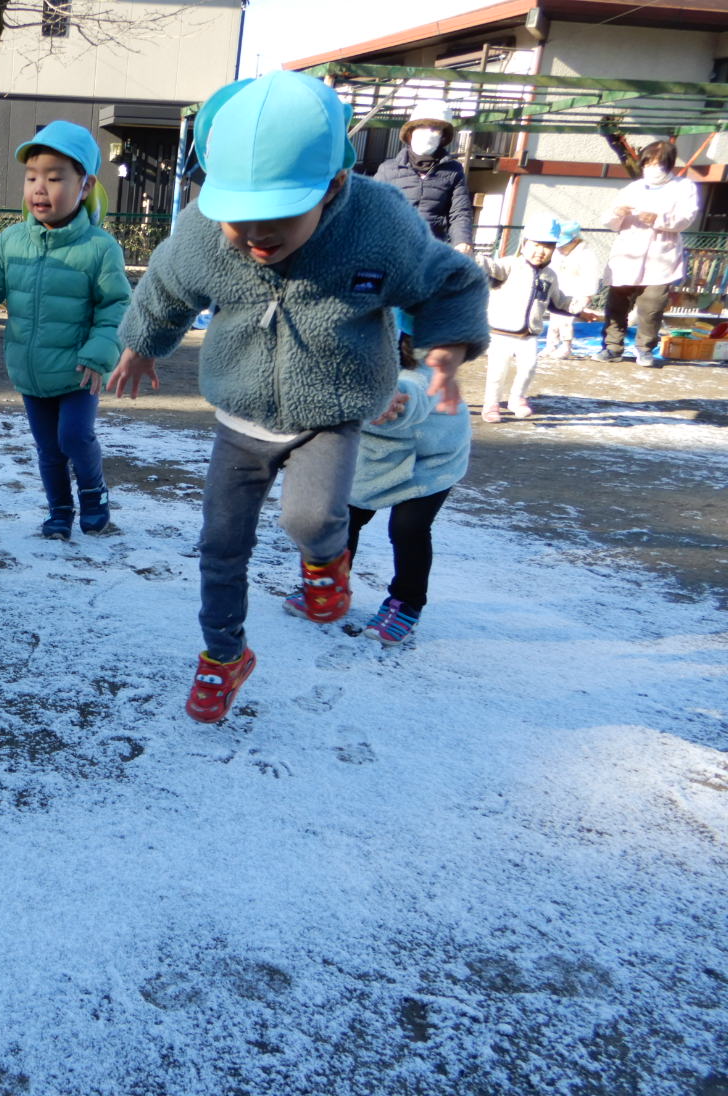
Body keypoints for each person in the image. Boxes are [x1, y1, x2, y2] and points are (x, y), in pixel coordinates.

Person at [107, 71, 490, 723]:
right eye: (239, 222)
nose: (256, 238)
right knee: (220, 544)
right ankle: (223, 656)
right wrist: (141, 342)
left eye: (278, 220)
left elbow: (450, 282)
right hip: (240, 414)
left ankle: (325, 560)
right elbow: (167, 285)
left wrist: (446, 349)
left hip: (331, 411)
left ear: (333, 186)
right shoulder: (206, 229)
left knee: (309, 520)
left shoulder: (378, 224)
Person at [0, 120, 130, 539]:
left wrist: (99, 352)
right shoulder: (11, 241)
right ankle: (59, 511)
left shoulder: (99, 248)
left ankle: (94, 492)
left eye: (55, 178)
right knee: (49, 450)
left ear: (85, 185)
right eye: (32, 177)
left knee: (74, 437)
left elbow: (116, 306)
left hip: (80, 369)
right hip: (31, 370)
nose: (40, 188)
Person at [296, 316, 470, 647]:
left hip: (430, 460)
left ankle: (406, 602)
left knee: (408, 528)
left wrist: (392, 400)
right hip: (374, 455)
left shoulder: (423, 366)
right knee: (341, 517)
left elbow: (417, 393)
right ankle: (328, 587)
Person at [598, 140, 701, 367]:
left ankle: (644, 348)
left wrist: (659, 219)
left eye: (657, 164)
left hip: (660, 256)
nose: (652, 168)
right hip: (627, 254)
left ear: (668, 165)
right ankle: (612, 347)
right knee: (617, 304)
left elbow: (686, 218)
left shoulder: (684, 187)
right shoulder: (634, 188)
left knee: (651, 306)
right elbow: (609, 221)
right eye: (648, 163)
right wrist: (617, 212)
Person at [477, 215, 581, 421]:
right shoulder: (509, 265)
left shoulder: (550, 275)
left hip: (529, 333)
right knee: (498, 371)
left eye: (547, 246)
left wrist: (580, 307)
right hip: (500, 333)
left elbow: (557, 301)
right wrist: (473, 256)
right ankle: (491, 404)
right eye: (535, 245)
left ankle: (517, 398)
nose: (540, 251)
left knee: (529, 367)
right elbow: (490, 268)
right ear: (524, 245)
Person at [374, 100, 475, 257]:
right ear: (410, 133)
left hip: (432, 251)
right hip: (391, 251)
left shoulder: (453, 171)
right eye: (422, 127)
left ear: (443, 137)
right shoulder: (388, 169)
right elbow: (371, 209)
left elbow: (459, 212)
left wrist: (462, 242)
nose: (428, 133)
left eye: (435, 129)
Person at [542, 222, 603, 360]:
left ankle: (566, 347)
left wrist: (587, 296)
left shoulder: (586, 255)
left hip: (577, 294)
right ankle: (551, 345)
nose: (560, 248)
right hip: (559, 292)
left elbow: (591, 277)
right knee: (554, 320)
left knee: (566, 321)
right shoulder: (558, 254)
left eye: (564, 245)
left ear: (575, 240)